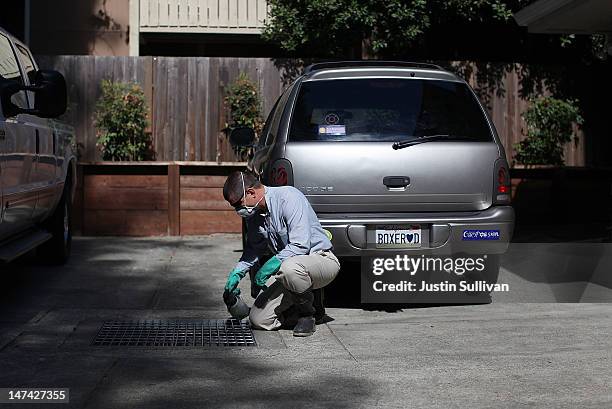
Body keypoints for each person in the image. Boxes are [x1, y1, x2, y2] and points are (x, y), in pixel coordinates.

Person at [222, 171, 340, 337]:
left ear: (251, 193)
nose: (238, 210)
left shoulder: (288, 197)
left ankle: (308, 315)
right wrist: (237, 273)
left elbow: (300, 246)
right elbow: (253, 249)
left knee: (289, 268)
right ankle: (294, 308)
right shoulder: (254, 214)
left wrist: (269, 266)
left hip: (321, 259)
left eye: (238, 204)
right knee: (258, 320)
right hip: (289, 269)